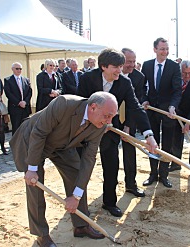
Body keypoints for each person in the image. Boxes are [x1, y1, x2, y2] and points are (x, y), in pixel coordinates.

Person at [10, 92, 119, 246]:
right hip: (33, 140)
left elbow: (88, 159)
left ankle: (81, 226)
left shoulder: (100, 125)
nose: (109, 121)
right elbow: (39, 133)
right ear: (93, 107)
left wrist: (76, 197)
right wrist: (32, 168)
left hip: (62, 144)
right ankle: (41, 235)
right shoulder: (63, 103)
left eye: (112, 117)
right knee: (35, 185)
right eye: (107, 116)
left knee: (76, 174)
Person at [77, 48, 157, 217]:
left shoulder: (124, 82)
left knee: (111, 167)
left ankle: (109, 202)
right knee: (81, 168)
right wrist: (96, 121)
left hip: (110, 131)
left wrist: (148, 134)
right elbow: (79, 104)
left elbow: (135, 107)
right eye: (116, 67)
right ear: (103, 66)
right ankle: (80, 205)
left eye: (121, 66)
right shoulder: (87, 79)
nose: (120, 71)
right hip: (86, 131)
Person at [141, 37, 182, 188]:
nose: (165, 51)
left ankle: (164, 175)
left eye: (166, 49)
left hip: (167, 112)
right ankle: (153, 174)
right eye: (162, 49)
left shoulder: (173, 66)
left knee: (167, 143)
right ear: (155, 50)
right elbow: (142, 87)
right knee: (152, 143)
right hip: (151, 110)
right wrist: (144, 100)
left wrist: (172, 106)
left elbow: (177, 90)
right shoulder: (146, 65)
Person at [120, 48, 146, 197]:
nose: (132, 65)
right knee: (109, 153)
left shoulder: (139, 77)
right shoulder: (112, 74)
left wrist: (128, 125)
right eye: (128, 61)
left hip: (129, 119)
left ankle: (131, 184)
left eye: (134, 61)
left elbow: (135, 104)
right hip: (111, 118)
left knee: (129, 152)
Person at [4, 62, 32, 135]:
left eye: (20, 69)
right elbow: (8, 93)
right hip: (15, 108)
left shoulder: (26, 80)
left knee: (26, 127)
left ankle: (25, 143)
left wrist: (25, 102)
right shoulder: (8, 80)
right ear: (12, 69)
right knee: (16, 127)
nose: (19, 70)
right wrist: (19, 102)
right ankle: (16, 144)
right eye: (17, 69)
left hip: (25, 107)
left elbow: (29, 92)